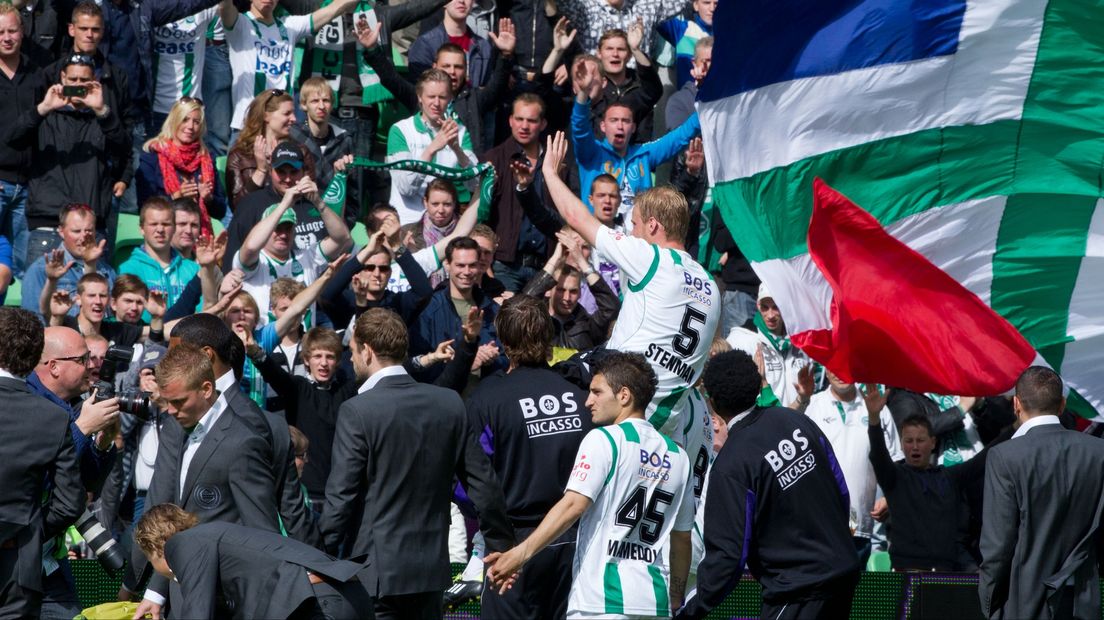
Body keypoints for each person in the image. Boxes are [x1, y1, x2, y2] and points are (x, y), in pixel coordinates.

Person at [542, 131, 720, 494]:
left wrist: (549, 173)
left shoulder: (651, 258)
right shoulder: (711, 285)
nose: (631, 231)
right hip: (666, 422)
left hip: (623, 406)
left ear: (653, 226)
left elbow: (577, 216)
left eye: (635, 224)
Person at [321, 308, 515, 619]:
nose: (352, 359)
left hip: (378, 577)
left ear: (367, 351)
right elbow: (484, 485)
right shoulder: (449, 402)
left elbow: (340, 500)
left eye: (353, 351)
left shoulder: (356, 411)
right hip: (430, 573)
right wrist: (502, 548)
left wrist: (320, 561)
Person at [486, 352, 695, 618]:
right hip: (654, 603)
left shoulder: (605, 439)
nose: (587, 401)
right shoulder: (678, 456)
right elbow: (681, 538)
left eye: (597, 392)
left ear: (624, 395)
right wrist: (676, 594)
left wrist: (520, 554)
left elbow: (574, 504)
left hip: (601, 603)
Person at [677, 350, 860, 619]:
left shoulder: (731, 465)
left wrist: (690, 611)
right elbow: (840, 490)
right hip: (842, 572)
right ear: (755, 384)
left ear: (712, 401)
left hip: (799, 589)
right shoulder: (797, 420)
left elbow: (728, 556)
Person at [463, 296, 593, 617]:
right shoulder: (583, 394)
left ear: (504, 341)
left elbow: (469, 486)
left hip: (514, 546)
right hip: (576, 542)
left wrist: (496, 537)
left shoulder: (487, 399)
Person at [132, 342, 282, 618]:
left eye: (179, 402)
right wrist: (157, 592)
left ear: (206, 389)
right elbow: (175, 526)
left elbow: (263, 533)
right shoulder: (179, 431)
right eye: (167, 402)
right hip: (183, 595)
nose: (171, 411)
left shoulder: (242, 442)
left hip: (225, 599)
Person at [979, 366, 1104, 619]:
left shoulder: (1004, 457)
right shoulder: (1098, 452)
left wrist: (989, 604)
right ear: (1062, 405)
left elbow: (998, 546)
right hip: (1084, 600)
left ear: (1016, 403)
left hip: (1024, 601)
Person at [135, 504, 373, 619]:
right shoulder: (215, 540)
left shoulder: (182, 544)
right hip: (350, 594)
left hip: (315, 603)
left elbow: (198, 613)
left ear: (156, 547)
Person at [28, 326, 120, 619]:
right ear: (53, 367)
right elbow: (34, 478)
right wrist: (81, 430)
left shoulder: (75, 406)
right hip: (15, 559)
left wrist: (102, 444)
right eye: (82, 359)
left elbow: (89, 483)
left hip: (49, 561)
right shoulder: (22, 405)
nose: (92, 366)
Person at [0, 308, 83, 618]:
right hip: (20, 563)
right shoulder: (53, 416)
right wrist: (30, 529)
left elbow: (69, 502)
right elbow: (69, 502)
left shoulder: (54, 416)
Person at [231, 148, 352, 322]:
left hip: (303, 345)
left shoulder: (307, 257)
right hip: (266, 344)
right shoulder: (255, 263)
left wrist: (318, 202)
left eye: (287, 228)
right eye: (277, 229)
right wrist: (285, 203)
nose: (282, 234)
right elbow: (250, 247)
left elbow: (342, 238)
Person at [570, 58, 699, 219]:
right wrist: (582, 93)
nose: (620, 126)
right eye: (613, 120)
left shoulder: (643, 153)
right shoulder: (592, 153)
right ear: (603, 126)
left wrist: (706, 103)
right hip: (599, 237)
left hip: (636, 239)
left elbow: (680, 136)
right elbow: (579, 128)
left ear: (633, 127)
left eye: (625, 121)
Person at [247, 327, 361, 507]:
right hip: (303, 491)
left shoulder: (346, 391)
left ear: (338, 361)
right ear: (307, 359)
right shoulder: (298, 388)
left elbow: (379, 374)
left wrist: (421, 361)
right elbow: (276, 375)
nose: (324, 363)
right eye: (317, 356)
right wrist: (255, 352)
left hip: (338, 493)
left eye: (330, 357)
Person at [28, 51, 130, 247]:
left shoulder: (104, 117)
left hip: (91, 223)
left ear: (94, 81)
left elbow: (124, 149)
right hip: (47, 221)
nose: (76, 84)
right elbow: (12, 140)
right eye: (72, 79)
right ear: (62, 78)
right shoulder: (45, 114)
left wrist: (101, 111)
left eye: (83, 79)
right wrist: (43, 109)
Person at [867, 409, 985, 571]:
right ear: (901, 444)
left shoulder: (948, 477)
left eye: (921, 440)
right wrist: (874, 418)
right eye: (909, 441)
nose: (915, 446)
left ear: (933, 442)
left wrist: (1016, 427)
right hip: (907, 573)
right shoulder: (895, 477)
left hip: (945, 572)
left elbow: (982, 460)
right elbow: (878, 455)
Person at [219, 0, 361, 135]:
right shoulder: (239, 24)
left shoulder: (289, 26)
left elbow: (332, 9)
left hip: (283, 128)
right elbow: (225, 6)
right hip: (248, 127)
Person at [804, 373, 902, 564]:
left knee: (862, 591)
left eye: (845, 368)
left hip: (865, 527)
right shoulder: (813, 406)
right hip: (822, 525)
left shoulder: (876, 406)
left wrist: (889, 497)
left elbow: (896, 460)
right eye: (834, 367)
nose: (839, 374)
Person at [481, 93, 575, 292]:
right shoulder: (495, 159)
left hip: (546, 265)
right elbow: (482, 216)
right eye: (519, 119)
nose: (524, 126)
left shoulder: (558, 163)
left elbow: (566, 215)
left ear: (542, 124)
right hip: (505, 265)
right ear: (510, 121)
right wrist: (486, 266)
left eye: (531, 120)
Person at [385, 69, 478, 225]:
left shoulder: (460, 132)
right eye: (431, 97)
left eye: (442, 97)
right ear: (419, 97)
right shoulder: (400, 130)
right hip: (408, 222)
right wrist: (431, 149)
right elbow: (405, 187)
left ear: (450, 98)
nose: (436, 103)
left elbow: (475, 184)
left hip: (445, 224)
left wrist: (457, 149)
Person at [408, 236, 506, 382]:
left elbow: (507, 360)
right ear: (447, 265)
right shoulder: (428, 310)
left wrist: (492, 357)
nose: (466, 272)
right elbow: (417, 364)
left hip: (484, 395)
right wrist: (466, 360)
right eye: (460, 265)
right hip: (443, 396)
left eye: (472, 265)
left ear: (480, 266)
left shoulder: (492, 309)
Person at [136, 97, 227, 232]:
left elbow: (221, 212)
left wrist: (208, 199)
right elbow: (144, 207)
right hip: (164, 234)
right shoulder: (152, 157)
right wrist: (176, 197)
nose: (190, 127)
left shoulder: (206, 158)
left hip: (197, 234)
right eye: (185, 119)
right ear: (174, 121)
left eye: (196, 122)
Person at [519, 233, 620, 351]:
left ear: (580, 293)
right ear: (549, 290)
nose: (567, 298)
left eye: (573, 291)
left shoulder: (587, 325)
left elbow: (611, 307)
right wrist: (555, 258)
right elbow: (522, 304)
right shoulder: (536, 321)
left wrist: (582, 262)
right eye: (561, 290)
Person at [0, 3, 44, 276]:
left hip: (29, 185)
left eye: (12, 30)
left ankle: (18, 321)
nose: (6, 37)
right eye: (0, 31)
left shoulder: (38, 74)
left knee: (24, 269)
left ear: (23, 32)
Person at [726, 283, 817, 411]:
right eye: (765, 307)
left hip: (795, 420)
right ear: (758, 306)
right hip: (759, 424)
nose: (770, 315)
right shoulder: (742, 340)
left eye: (776, 307)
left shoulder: (801, 341)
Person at [21, 204, 116, 317]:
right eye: (76, 231)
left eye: (89, 230)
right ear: (61, 231)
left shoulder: (107, 271)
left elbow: (113, 316)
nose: (83, 237)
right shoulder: (41, 269)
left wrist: (90, 265)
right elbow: (33, 319)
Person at [225, 89, 314, 209]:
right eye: (287, 113)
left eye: (293, 113)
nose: (294, 119)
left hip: (293, 221)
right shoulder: (240, 155)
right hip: (254, 223)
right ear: (266, 115)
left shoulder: (300, 151)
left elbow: (310, 200)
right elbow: (237, 207)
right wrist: (261, 170)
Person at [288, 78, 355, 221]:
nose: (321, 106)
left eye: (326, 100)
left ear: (332, 105)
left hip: (334, 219)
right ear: (303, 105)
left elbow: (353, 190)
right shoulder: (293, 136)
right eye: (314, 101)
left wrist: (346, 225)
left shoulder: (344, 139)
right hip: (298, 219)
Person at [119, 198, 200, 311]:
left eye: (166, 224)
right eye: (154, 224)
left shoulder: (193, 269)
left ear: (174, 228)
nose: (160, 229)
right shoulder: (129, 269)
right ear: (141, 229)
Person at [408, 0, 495, 89]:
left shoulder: (483, 47)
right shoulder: (424, 45)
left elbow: (488, 93)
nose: (461, 1)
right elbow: (420, 92)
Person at [401, 179, 461, 286]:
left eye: (447, 204)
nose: (441, 210)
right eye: (435, 204)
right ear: (425, 202)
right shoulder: (405, 232)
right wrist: (408, 255)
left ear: (454, 204)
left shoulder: (467, 232)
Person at [655, 0, 713, 90]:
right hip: (688, 100)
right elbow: (655, 15)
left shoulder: (730, 33)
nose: (712, 8)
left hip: (721, 101)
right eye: (706, 3)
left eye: (716, 3)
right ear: (696, 5)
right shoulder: (682, 29)